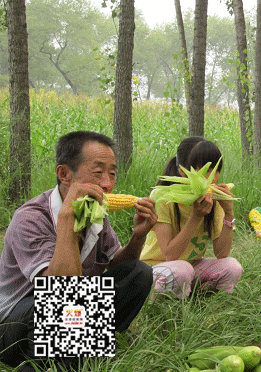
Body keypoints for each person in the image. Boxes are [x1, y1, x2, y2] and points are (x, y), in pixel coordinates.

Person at [0, 131, 158, 371]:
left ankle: (79, 349)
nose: (107, 183)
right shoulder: (30, 218)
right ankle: (59, 357)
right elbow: (61, 292)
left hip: (72, 313)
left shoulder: (96, 215)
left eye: (112, 173)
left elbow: (114, 267)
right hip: (16, 321)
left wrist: (139, 236)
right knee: (59, 305)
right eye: (97, 172)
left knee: (137, 272)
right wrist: (67, 220)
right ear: (64, 174)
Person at [140, 137, 243, 300]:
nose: (214, 178)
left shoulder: (212, 201)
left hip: (192, 266)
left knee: (232, 267)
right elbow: (170, 255)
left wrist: (229, 214)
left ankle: (200, 297)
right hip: (157, 267)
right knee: (182, 270)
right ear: (182, 171)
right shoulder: (162, 197)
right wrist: (196, 217)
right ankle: (162, 300)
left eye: (216, 170)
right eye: (206, 170)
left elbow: (222, 253)